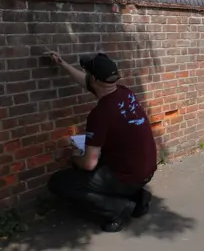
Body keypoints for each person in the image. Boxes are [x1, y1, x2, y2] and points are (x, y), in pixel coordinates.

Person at [45, 51, 158, 233]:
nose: (87, 77)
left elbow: (89, 164)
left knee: (59, 182)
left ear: (95, 80)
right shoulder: (124, 93)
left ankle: (115, 210)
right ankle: (139, 197)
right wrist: (62, 63)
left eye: (89, 73)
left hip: (126, 176)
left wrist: (74, 158)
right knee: (102, 162)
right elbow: (87, 81)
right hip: (146, 168)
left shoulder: (100, 114)